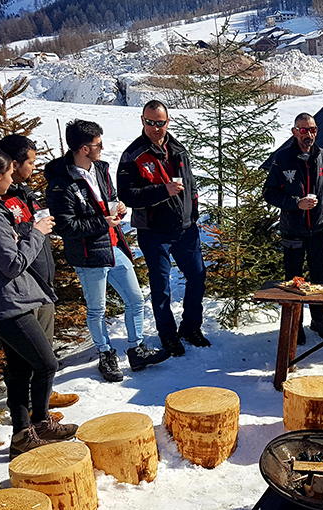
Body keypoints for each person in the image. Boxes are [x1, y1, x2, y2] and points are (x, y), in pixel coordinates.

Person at [46, 119, 168, 382]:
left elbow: (109, 199)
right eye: (98, 144)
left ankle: (136, 349)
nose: (102, 148)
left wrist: (118, 207)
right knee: (97, 309)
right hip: (88, 254)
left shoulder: (101, 169)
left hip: (113, 246)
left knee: (135, 299)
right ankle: (105, 353)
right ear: (84, 149)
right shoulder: (61, 184)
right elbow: (65, 226)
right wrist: (102, 222)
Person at [0, 149, 78, 458]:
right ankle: (40, 423)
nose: (11, 179)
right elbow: (13, 264)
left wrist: (20, 235)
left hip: (10, 300)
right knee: (46, 363)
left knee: (19, 368)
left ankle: (22, 435)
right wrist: (37, 234)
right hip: (6, 304)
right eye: (7, 175)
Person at [117, 100, 210, 357]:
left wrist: (193, 212)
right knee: (161, 286)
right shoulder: (132, 155)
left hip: (186, 229)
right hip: (154, 231)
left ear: (167, 121)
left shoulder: (178, 149)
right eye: (150, 122)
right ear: (142, 121)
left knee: (197, 277)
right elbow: (127, 195)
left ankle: (191, 327)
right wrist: (162, 191)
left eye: (160, 122)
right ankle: (168, 335)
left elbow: (190, 184)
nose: (155, 127)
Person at [263, 112, 323, 345]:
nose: (309, 135)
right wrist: (296, 203)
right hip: (293, 230)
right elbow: (270, 193)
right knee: (295, 281)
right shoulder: (283, 159)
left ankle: (319, 321)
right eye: (304, 130)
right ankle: (296, 325)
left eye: (312, 130)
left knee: (319, 278)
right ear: (295, 132)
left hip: (317, 230)